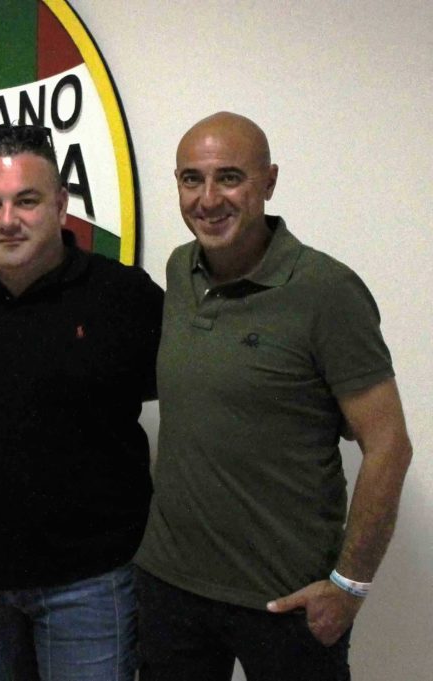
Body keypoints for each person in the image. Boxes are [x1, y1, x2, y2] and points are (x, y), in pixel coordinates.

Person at [135, 111, 413, 681]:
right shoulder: (181, 269)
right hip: (172, 589)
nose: (208, 199)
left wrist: (349, 587)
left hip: (287, 602)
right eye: (191, 179)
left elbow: (389, 445)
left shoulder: (326, 291)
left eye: (229, 177)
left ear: (269, 181)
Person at [0, 124, 164, 681]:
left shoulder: (125, 296)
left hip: (93, 582)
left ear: (60, 204)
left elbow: (198, 393)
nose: (8, 220)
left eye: (26, 201)